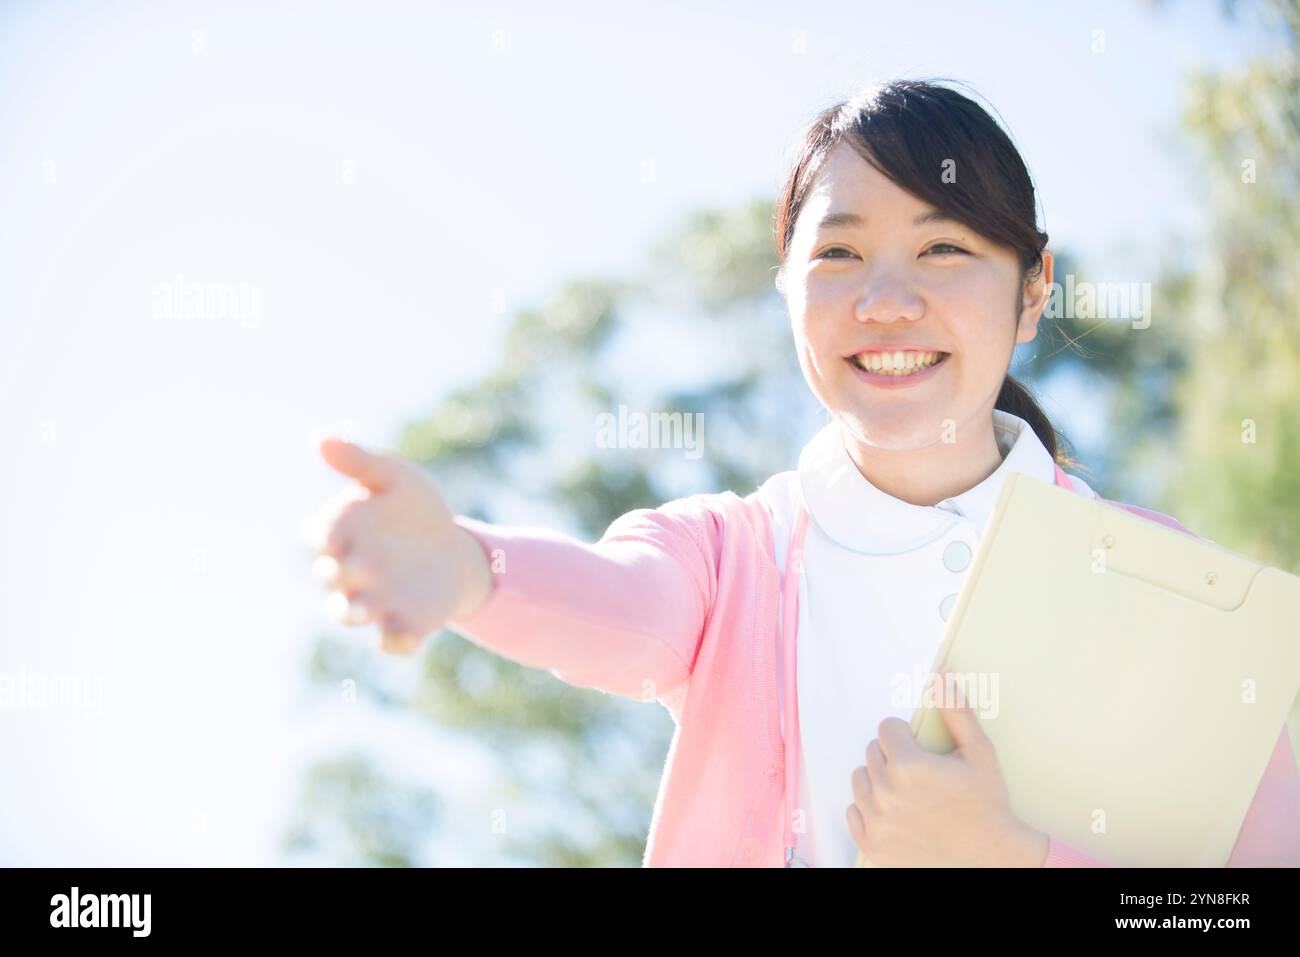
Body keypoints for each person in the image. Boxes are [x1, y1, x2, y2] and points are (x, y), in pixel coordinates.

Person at [302, 79, 1300, 867]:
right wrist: (470, 570)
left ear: (1033, 288)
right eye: (839, 254)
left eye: (943, 247)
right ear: (785, 287)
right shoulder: (733, 554)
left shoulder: (1155, 580)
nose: (887, 299)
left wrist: (1017, 860)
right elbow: (627, 611)